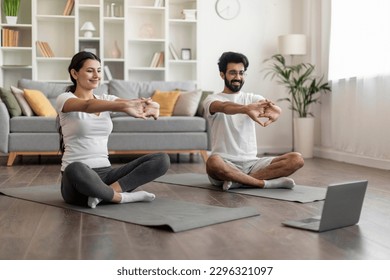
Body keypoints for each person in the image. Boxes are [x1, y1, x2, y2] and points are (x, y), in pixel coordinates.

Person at [56, 51, 170, 208]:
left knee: (161, 159)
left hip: (107, 175)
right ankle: (122, 198)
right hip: (78, 182)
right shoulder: (65, 99)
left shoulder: (106, 100)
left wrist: (153, 106)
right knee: (74, 168)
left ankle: (106, 194)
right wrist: (124, 106)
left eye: (99, 70)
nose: (96, 75)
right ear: (74, 73)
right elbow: (87, 105)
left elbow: (135, 103)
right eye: (90, 70)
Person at [203, 51, 304, 191]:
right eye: (232, 73)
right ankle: (264, 183)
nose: (238, 77)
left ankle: (240, 182)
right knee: (212, 162)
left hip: (253, 164)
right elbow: (224, 107)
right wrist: (245, 109)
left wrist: (278, 111)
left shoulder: (252, 98)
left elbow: (271, 107)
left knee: (296, 159)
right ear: (222, 74)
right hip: (225, 162)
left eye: (241, 73)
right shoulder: (212, 99)